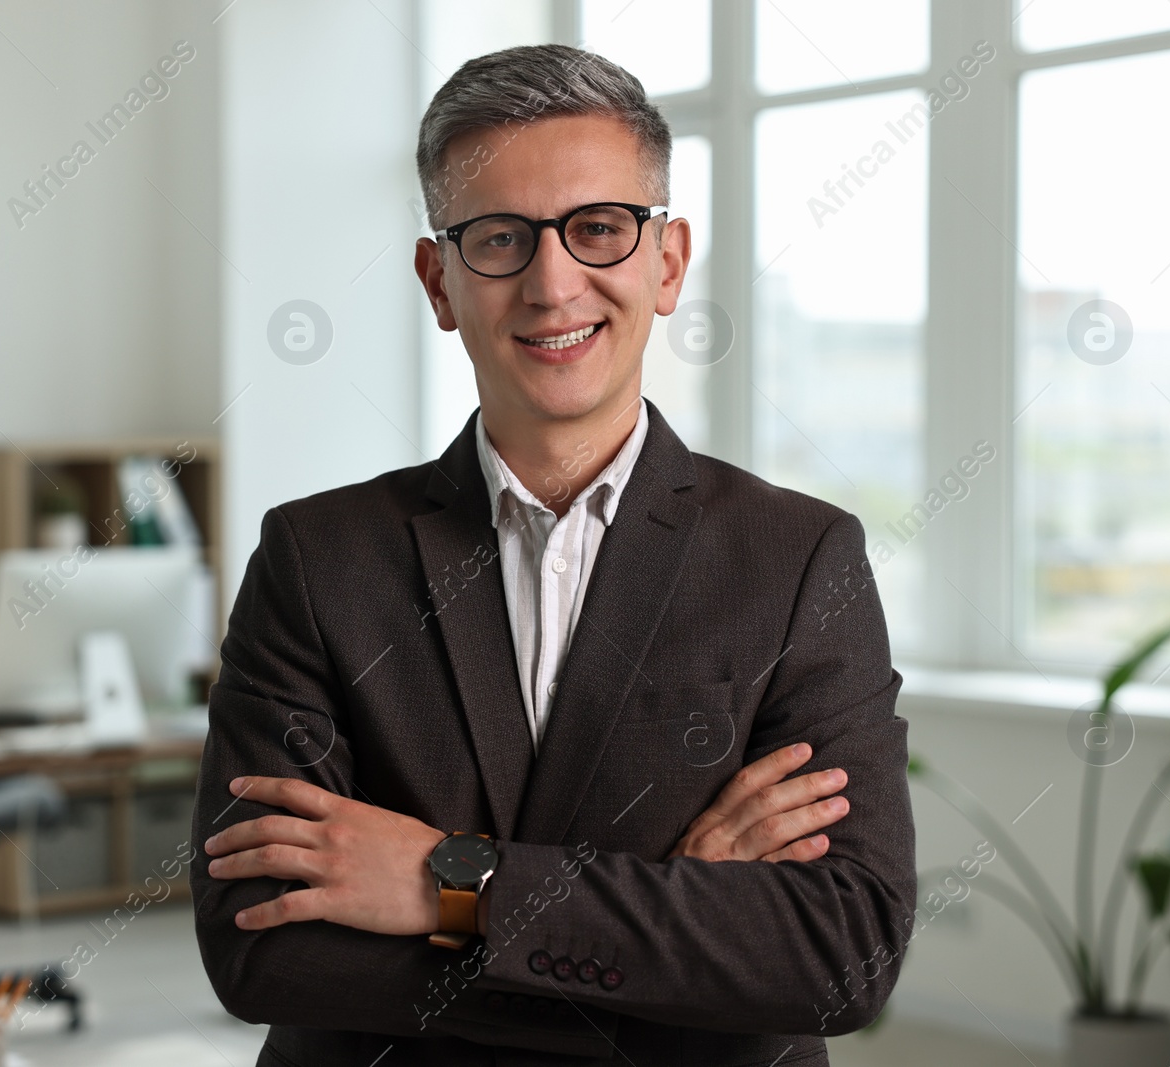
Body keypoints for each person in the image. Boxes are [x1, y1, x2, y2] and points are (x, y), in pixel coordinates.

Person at [191, 43, 915, 1067]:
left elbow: (841, 952)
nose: (552, 281)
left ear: (665, 262)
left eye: (599, 229)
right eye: (498, 238)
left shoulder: (798, 558)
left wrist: (448, 882)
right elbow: (260, 948)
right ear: (439, 279)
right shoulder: (317, 558)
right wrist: (675, 913)